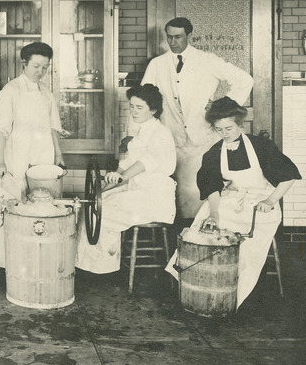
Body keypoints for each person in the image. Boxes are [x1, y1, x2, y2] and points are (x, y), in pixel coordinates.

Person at [165, 97, 300, 308]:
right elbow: (212, 187)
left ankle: (237, 294)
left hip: (261, 201)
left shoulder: (261, 146)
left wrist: (270, 200)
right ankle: (202, 286)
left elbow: (289, 175)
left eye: (229, 128)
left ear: (240, 125)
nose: (224, 134)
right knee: (204, 225)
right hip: (232, 198)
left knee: (241, 243)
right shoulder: (215, 153)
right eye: (219, 130)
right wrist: (214, 214)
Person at [141, 17, 253, 219]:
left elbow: (245, 80)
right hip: (170, 138)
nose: (174, 42)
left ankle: (197, 237)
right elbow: (144, 100)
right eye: (169, 37)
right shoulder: (157, 65)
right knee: (168, 192)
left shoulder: (207, 60)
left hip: (201, 139)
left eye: (178, 37)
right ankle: (177, 240)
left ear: (189, 36)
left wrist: (223, 104)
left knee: (198, 191)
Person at [76, 84, 176, 274]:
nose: (133, 111)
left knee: (103, 210)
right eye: (132, 106)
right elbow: (127, 162)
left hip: (154, 196)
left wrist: (121, 177)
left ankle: (104, 268)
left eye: (139, 107)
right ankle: (88, 266)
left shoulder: (160, 133)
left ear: (153, 110)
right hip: (137, 189)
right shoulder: (140, 132)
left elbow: (146, 162)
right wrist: (102, 189)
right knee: (94, 203)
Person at [0, 41, 65, 266]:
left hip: (42, 159)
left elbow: (53, 127)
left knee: (41, 207)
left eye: (45, 67)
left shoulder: (47, 93)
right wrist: (0, 162)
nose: (41, 72)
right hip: (14, 159)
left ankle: (36, 264)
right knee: (12, 209)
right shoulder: (11, 90)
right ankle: (8, 265)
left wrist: (58, 154)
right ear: (24, 64)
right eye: (36, 66)